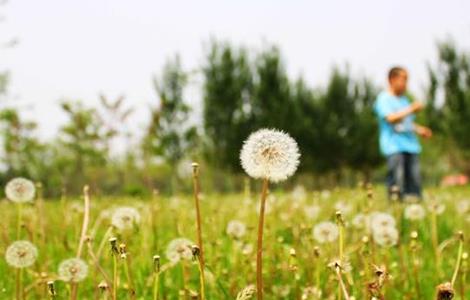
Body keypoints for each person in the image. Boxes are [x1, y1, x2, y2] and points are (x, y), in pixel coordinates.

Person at [374, 66, 432, 200]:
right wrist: (411, 108)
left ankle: (415, 211)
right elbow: (391, 118)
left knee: (415, 181)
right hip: (394, 147)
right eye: (404, 79)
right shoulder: (383, 99)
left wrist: (420, 129)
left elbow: (407, 123)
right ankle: (397, 211)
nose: (406, 84)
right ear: (392, 80)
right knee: (396, 182)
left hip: (411, 146)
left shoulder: (404, 100)